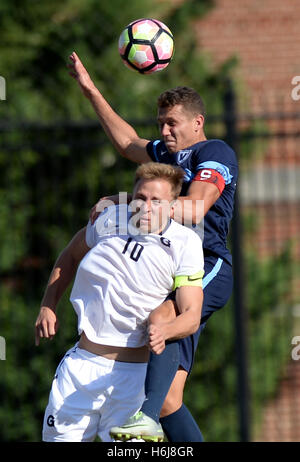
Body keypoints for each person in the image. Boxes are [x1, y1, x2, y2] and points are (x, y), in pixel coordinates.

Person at [68, 51, 238, 442]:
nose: (164, 131)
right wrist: (90, 89)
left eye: (172, 123)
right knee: (169, 400)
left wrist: (126, 201)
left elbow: (195, 209)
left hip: (207, 266)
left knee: (161, 317)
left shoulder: (214, 153)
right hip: (170, 268)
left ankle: (143, 419)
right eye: (160, 123)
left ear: (198, 123)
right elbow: (128, 142)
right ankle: (153, 415)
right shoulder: (168, 153)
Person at [35, 162, 204, 442]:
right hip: (80, 369)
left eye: (156, 201)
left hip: (133, 381)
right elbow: (71, 255)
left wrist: (166, 331)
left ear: (173, 206)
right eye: (140, 198)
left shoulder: (185, 243)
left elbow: (191, 315)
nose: (145, 207)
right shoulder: (109, 219)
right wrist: (48, 304)